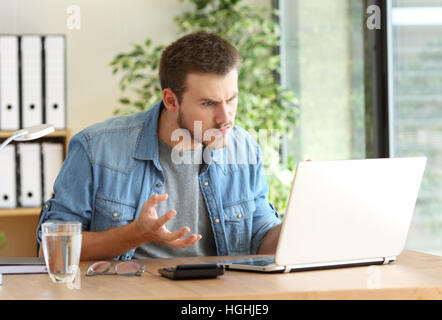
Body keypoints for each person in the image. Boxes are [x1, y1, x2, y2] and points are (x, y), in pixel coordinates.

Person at [37, 31, 282, 260]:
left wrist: (301, 224)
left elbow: (262, 238)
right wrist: (136, 234)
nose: (225, 117)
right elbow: (52, 250)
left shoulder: (244, 148)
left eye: (231, 99)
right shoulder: (96, 148)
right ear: (171, 100)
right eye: (208, 103)